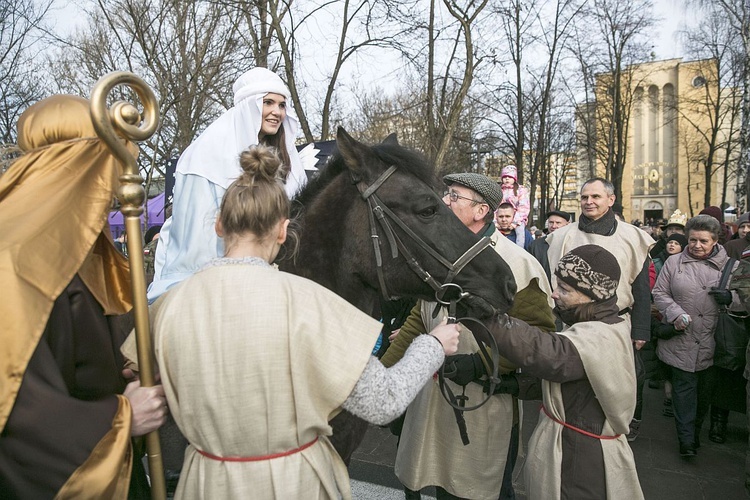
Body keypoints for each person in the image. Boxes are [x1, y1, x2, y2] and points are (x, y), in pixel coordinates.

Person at [122, 145, 460, 499]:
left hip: (205, 483)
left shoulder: (168, 305)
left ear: (220, 225)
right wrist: (434, 344)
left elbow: (139, 376)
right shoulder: (313, 303)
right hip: (292, 483)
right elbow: (382, 401)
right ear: (284, 231)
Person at [0, 95, 167, 497]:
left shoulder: (68, 249)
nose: (112, 189)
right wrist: (123, 416)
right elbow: (18, 414)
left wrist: (117, 375)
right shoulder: (14, 262)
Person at [382, 172, 555, 500]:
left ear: (481, 211)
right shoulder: (436, 255)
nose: (444, 201)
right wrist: (386, 374)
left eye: (454, 196)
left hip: (482, 404)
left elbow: (540, 336)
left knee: (478, 490)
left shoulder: (519, 264)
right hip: (432, 401)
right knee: (433, 479)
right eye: (446, 194)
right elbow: (420, 317)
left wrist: (480, 365)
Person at [484, 245, 643, 500]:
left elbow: (545, 353)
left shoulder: (598, 336)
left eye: (565, 289)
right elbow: (570, 385)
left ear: (593, 295)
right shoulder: (603, 323)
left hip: (579, 456)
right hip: (577, 445)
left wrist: (486, 316)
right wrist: (511, 385)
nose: (554, 294)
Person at [148, 67, 308, 301]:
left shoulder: (286, 155)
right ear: (250, 105)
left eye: (282, 105)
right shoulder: (209, 152)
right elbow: (197, 241)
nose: (277, 112)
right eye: (268, 103)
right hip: (212, 283)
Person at [543, 177, 653, 441]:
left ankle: (623, 421)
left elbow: (641, 290)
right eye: (584, 197)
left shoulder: (633, 238)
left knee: (623, 376)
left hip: (616, 322)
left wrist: (641, 329)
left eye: (595, 197)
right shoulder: (561, 237)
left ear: (611, 200)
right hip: (571, 322)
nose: (588, 202)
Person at [652, 214, 742, 457]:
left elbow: (746, 299)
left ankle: (694, 430)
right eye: (692, 240)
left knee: (704, 396)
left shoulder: (731, 266)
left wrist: (731, 299)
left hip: (713, 342)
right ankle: (686, 441)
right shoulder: (674, 263)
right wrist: (675, 313)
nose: (697, 246)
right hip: (682, 338)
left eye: (703, 241)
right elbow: (659, 293)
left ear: (715, 241)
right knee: (684, 391)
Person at [528, 209, 571, 282]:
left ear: (567, 224)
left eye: (558, 223)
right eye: (551, 222)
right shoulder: (535, 245)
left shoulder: (571, 243)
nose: (554, 226)